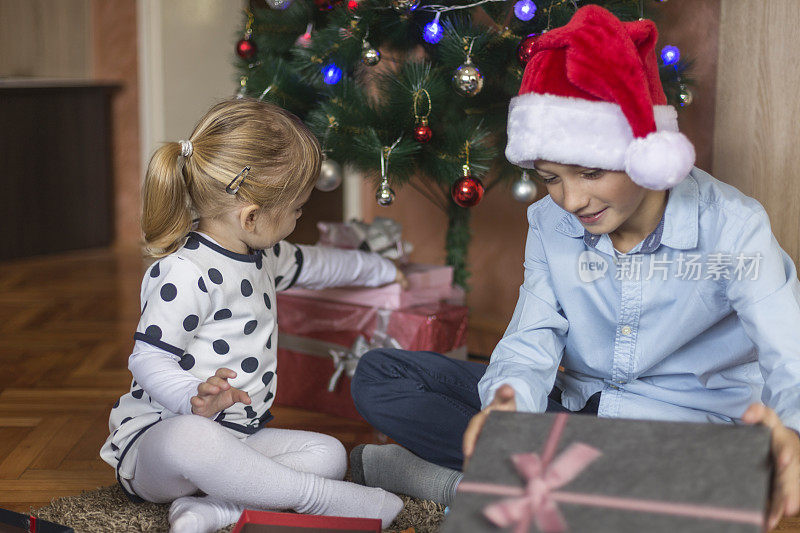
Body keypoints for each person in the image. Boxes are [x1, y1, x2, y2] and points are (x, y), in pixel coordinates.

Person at [349, 5, 800, 530]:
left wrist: (793, 432)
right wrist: (508, 406)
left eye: (589, 172)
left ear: (645, 154)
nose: (572, 199)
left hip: (682, 429)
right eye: (550, 177)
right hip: (574, 412)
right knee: (380, 376)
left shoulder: (734, 225)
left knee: (741, 467)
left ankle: (460, 480)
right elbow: (532, 333)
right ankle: (570, 487)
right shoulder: (549, 222)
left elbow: (789, 351)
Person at [100, 98, 406, 533]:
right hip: (161, 444)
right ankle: (317, 499)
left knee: (328, 454)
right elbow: (147, 360)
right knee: (195, 436)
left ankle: (214, 510)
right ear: (252, 216)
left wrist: (382, 269)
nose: (302, 215)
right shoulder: (185, 273)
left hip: (238, 437)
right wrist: (192, 397)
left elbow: (318, 265)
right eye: (298, 208)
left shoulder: (265, 254)